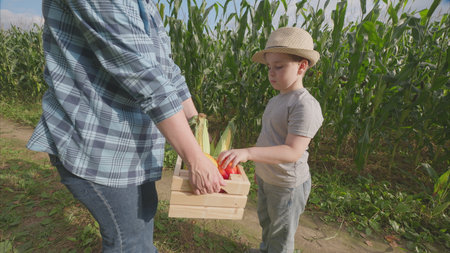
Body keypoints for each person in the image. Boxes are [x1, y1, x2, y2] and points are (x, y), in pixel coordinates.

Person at [27, 0, 225, 252]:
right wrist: (194, 157)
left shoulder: (147, 5)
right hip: (97, 145)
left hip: (134, 147)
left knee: (142, 225)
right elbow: (142, 74)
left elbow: (165, 69)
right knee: (128, 243)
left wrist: (198, 128)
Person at [218, 27, 324, 253]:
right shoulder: (277, 100)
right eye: (269, 67)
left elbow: (292, 151)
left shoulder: (304, 105)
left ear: (302, 66)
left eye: (279, 66)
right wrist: (259, 170)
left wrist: (248, 153)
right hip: (268, 177)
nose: (271, 73)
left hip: (287, 184)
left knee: (281, 232)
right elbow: (268, 138)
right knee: (267, 222)